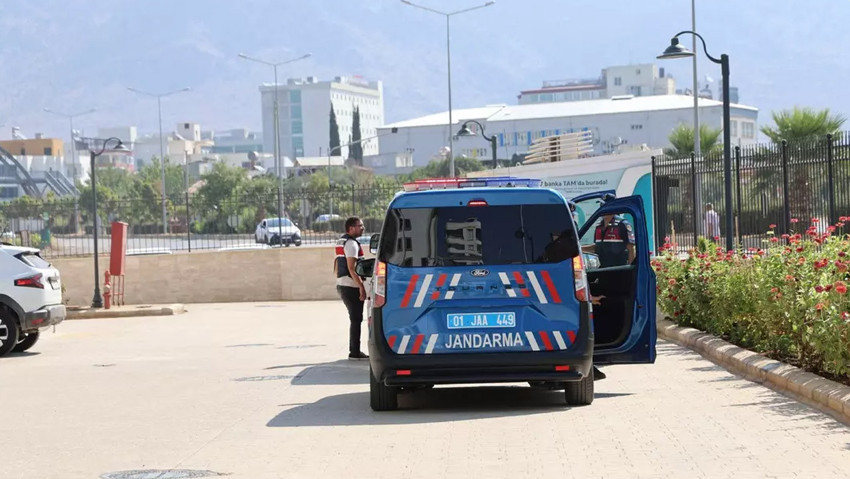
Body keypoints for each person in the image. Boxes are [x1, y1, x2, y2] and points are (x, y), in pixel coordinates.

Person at [334, 216, 369, 360]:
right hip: (350, 286)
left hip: (343, 284)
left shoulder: (342, 241)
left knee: (355, 319)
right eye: (360, 226)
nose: (362, 228)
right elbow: (351, 268)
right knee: (356, 319)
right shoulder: (351, 244)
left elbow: (337, 264)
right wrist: (361, 287)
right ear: (351, 228)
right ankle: (354, 351)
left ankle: (354, 350)